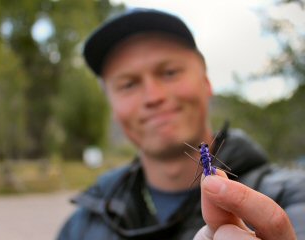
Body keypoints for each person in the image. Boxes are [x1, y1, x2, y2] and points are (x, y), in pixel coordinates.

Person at [57, 8, 305, 240]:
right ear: (112, 107)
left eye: (170, 72)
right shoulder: (79, 228)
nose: (153, 96)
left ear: (207, 82)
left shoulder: (295, 198)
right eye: (128, 84)